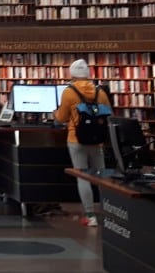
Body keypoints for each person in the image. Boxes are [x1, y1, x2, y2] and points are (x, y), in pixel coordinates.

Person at [54, 59, 112, 227]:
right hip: (97, 140)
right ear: (88, 74)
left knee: (83, 177)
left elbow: (62, 118)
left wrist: (55, 114)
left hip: (76, 139)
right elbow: (109, 113)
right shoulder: (100, 92)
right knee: (102, 176)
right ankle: (109, 212)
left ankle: (90, 215)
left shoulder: (68, 92)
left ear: (72, 74)